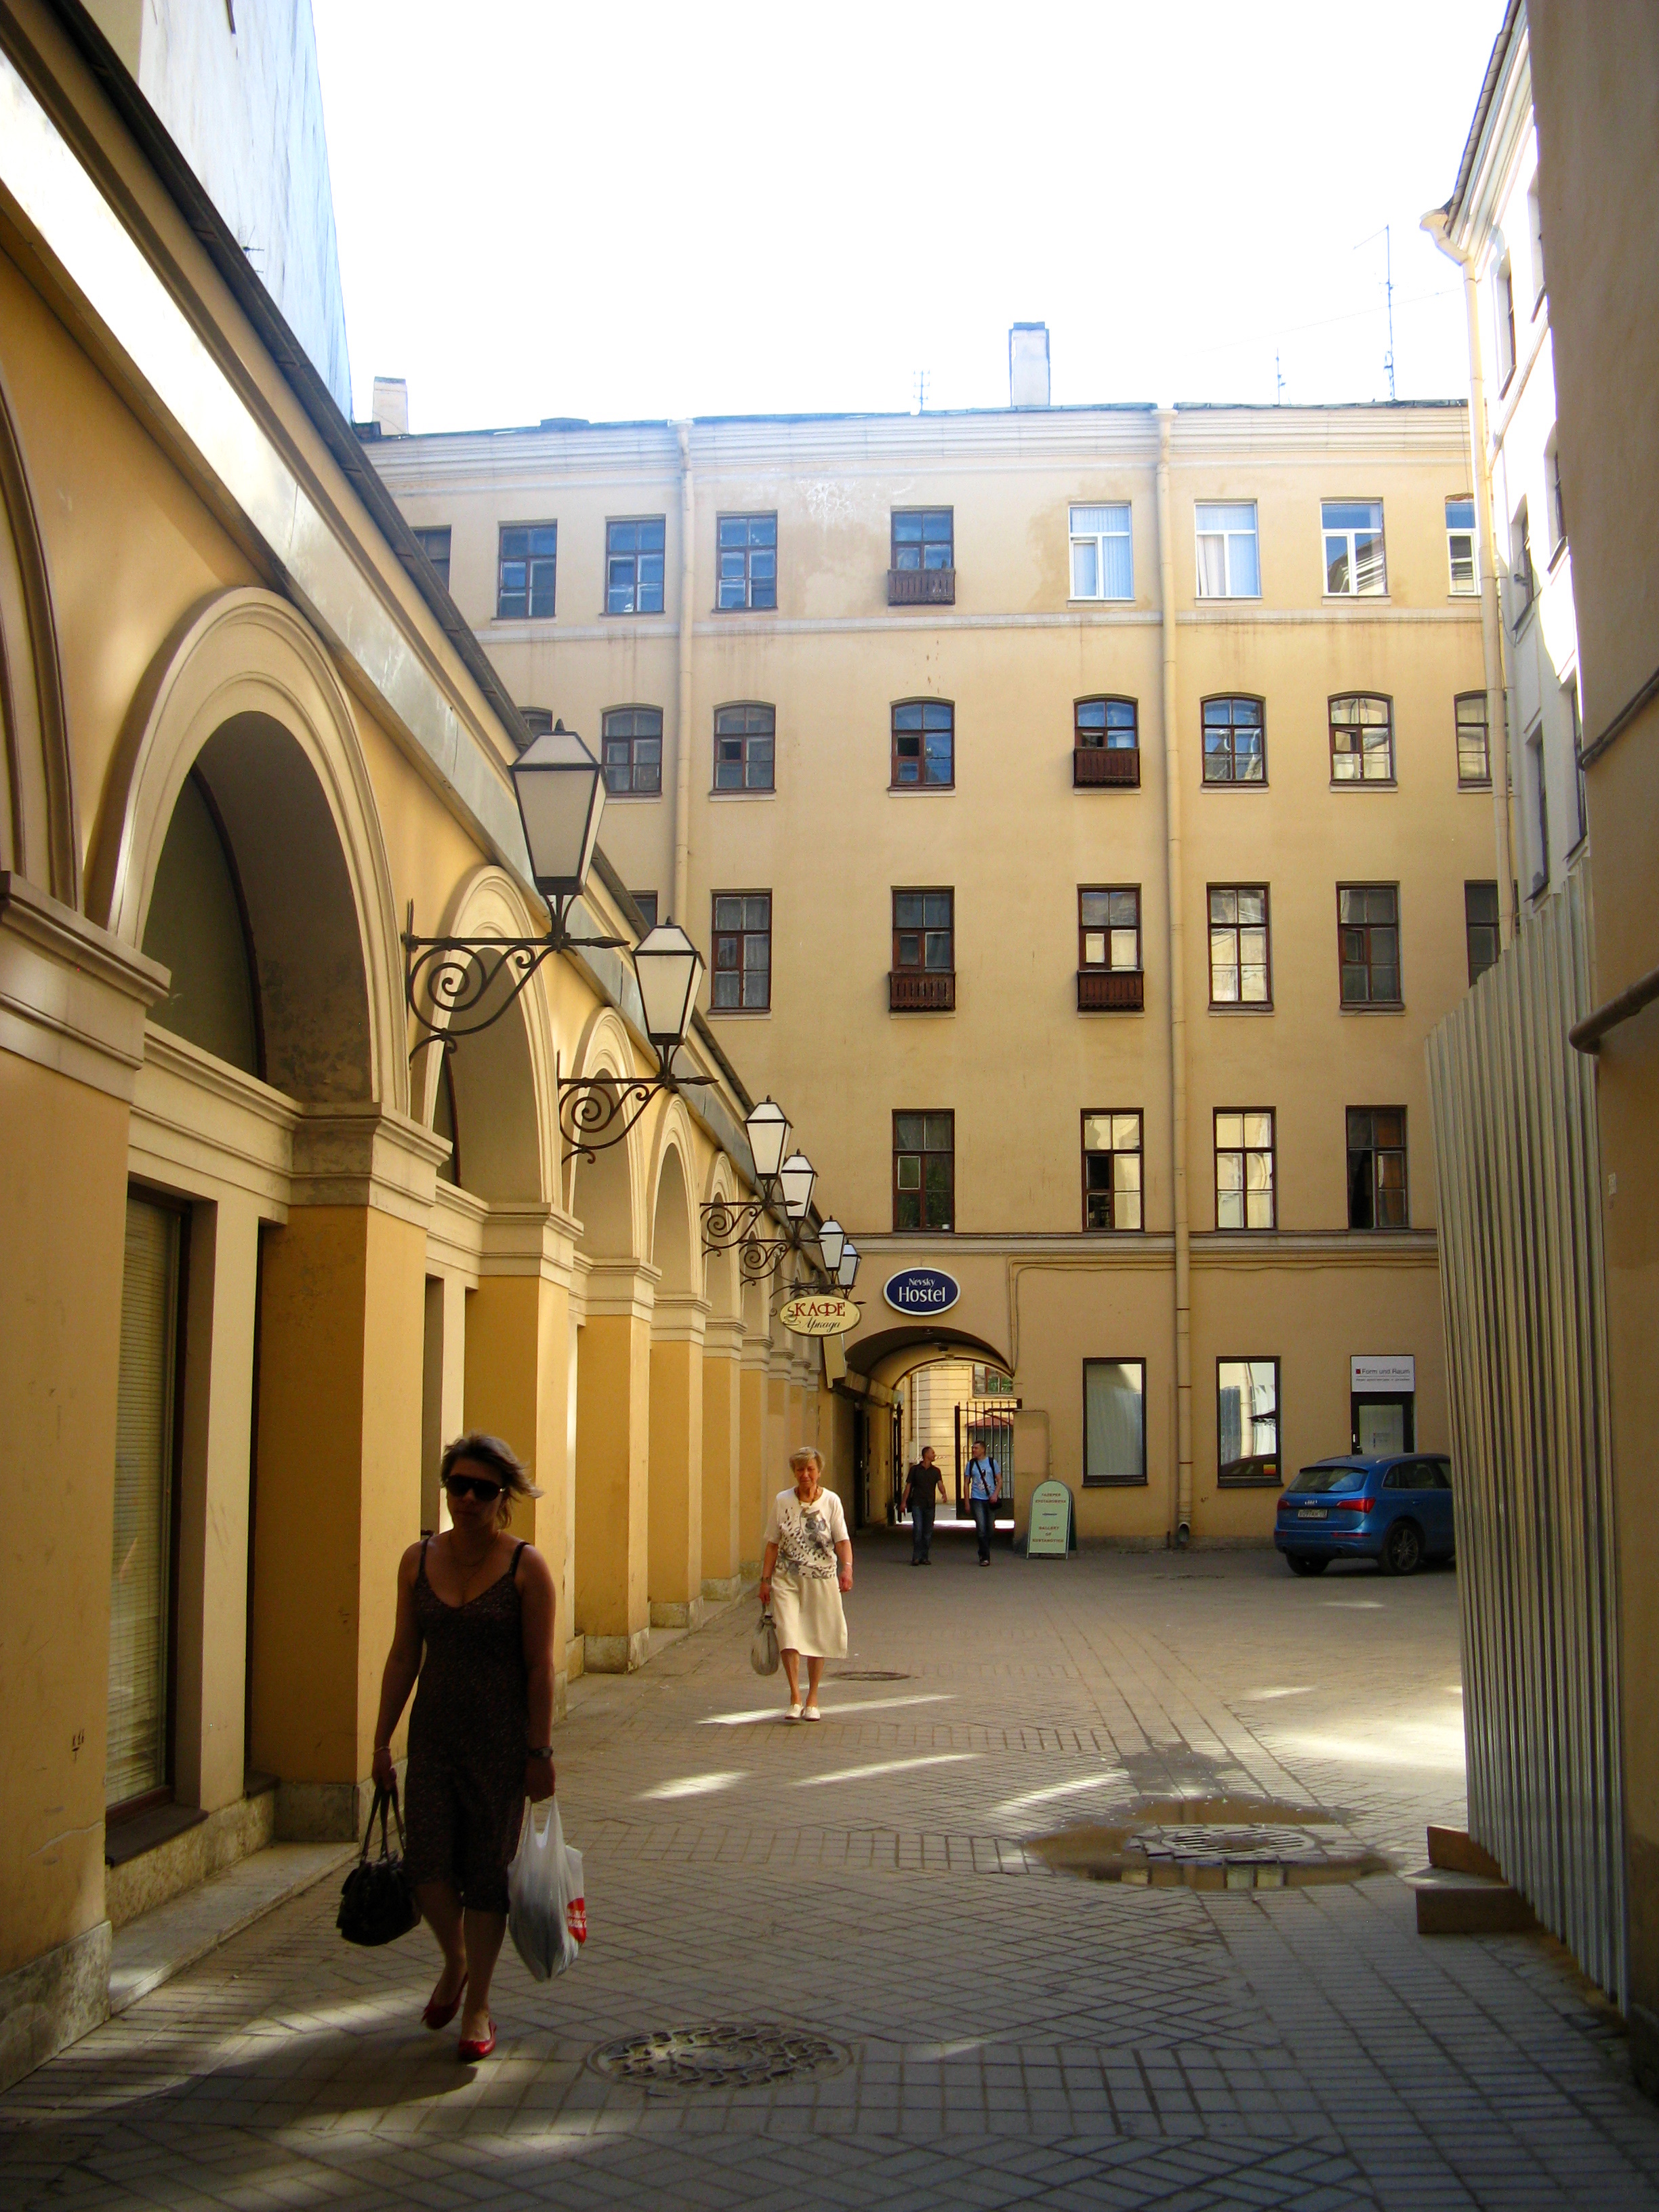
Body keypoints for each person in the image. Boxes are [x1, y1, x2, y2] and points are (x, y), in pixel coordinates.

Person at [371, 1431, 556, 2063]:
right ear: (446, 1490)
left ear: (503, 1497)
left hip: (500, 1745)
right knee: (426, 1868)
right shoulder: (417, 1560)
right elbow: (404, 1655)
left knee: (485, 1875)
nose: (468, 1499)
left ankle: (477, 2003)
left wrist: (539, 1753)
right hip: (434, 1739)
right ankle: (456, 1959)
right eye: (458, 1486)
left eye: (482, 1489)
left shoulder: (525, 1567)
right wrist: (381, 1742)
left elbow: (540, 1668)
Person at [759, 1447, 853, 1720]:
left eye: (810, 1469)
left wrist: (847, 1569)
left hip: (821, 1579)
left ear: (819, 1472)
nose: (805, 1475)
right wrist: (765, 1581)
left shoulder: (831, 1501)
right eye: (800, 1470)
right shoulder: (783, 1501)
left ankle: (812, 1698)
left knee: (816, 1636)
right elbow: (772, 1543)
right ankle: (795, 1697)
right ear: (794, 1473)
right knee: (788, 1634)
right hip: (787, 1578)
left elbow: (842, 1540)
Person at [904, 1443, 946, 1565]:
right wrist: (903, 1502)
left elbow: (940, 1484)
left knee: (928, 1532)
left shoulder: (936, 1471)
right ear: (926, 1455)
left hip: (930, 1505)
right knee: (918, 1530)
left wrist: (944, 1494)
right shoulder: (915, 1470)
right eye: (932, 1453)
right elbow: (908, 1487)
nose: (934, 1455)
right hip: (917, 1503)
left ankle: (924, 1557)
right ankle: (916, 1557)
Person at [966, 1441, 1002, 1565]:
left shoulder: (992, 1462)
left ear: (983, 1450)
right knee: (981, 1528)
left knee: (990, 1528)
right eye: (973, 1448)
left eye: (976, 1448)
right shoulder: (971, 1464)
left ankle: (983, 1550)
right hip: (977, 1499)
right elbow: (966, 1483)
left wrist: (995, 1494)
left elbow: (999, 1480)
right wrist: (967, 1502)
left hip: (990, 1499)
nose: (974, 1450)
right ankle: (985, 1557)